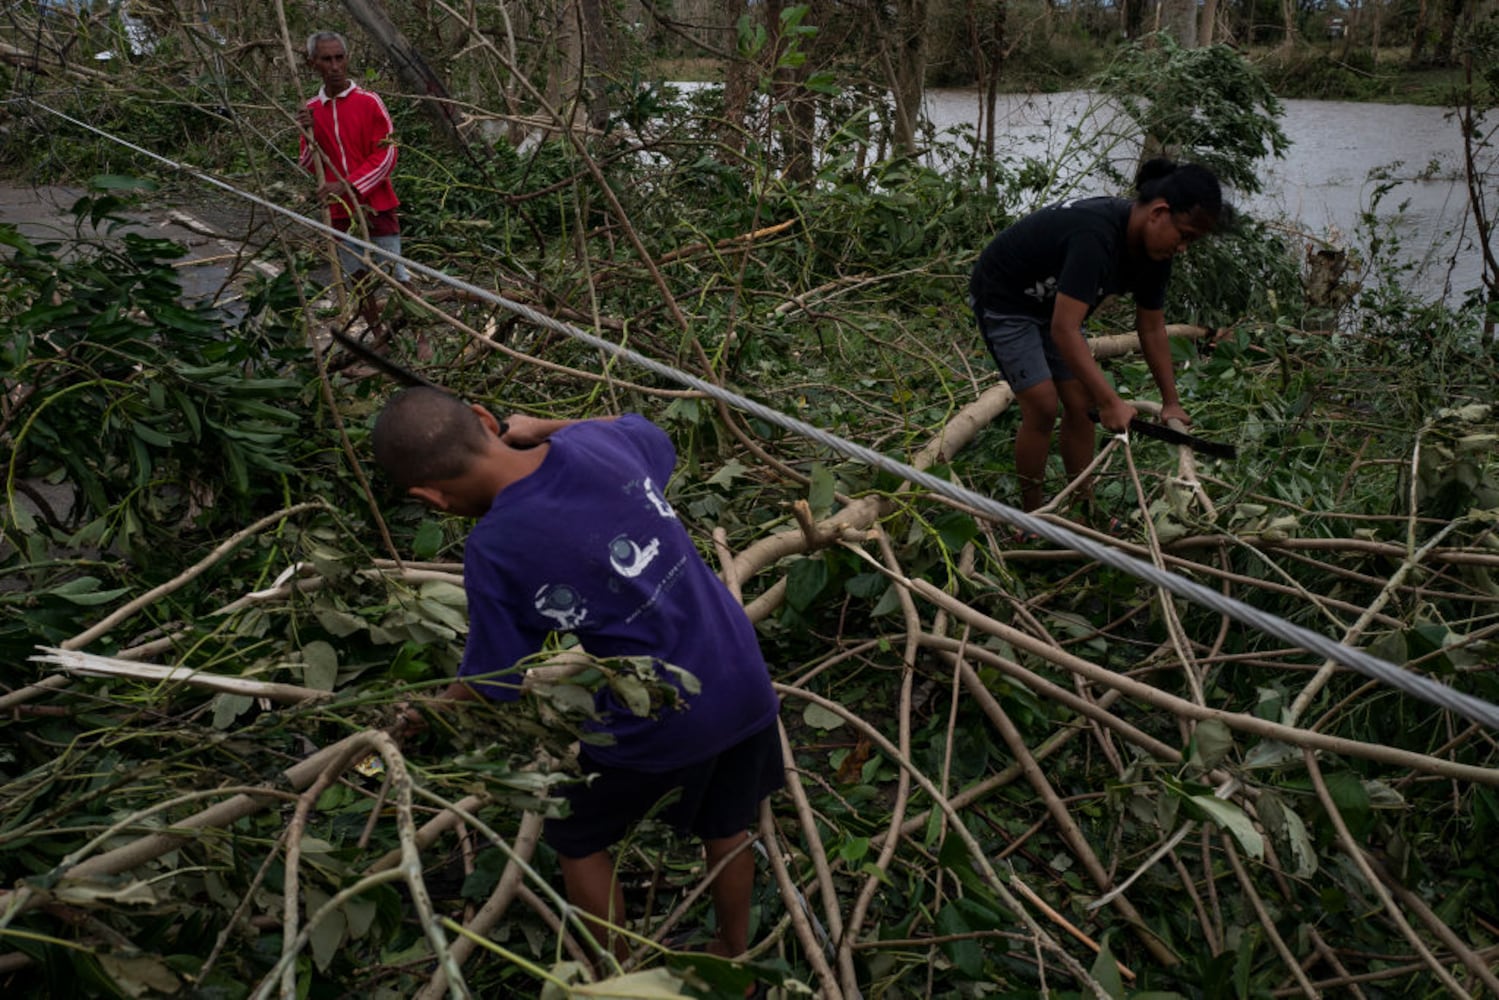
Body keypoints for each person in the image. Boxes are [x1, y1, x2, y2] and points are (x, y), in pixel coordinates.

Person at [371, 387, 784, 971]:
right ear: (488, 419)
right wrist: (548, 423)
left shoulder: (496, 548)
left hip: (663, 717)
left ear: (430, 496)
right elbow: (641, 425)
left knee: (576, 835)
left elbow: (493, 679)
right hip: (743, 675)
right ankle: (733, 956)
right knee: (728, 821)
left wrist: (427, 713)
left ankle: (616, 974)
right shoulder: (597, 443)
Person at [968, 158, 1226, 512]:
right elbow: (1065, 329)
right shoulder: (1095, 235)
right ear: (1158, 212)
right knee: (1043, 406)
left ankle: (1083, 508)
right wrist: (1111, 400)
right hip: (1006, 300)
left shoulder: (1157, 256)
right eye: (1185, 236)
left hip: (1056, 305)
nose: (1182, 248)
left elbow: (1150, 327)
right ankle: (1030, 517)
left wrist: (1170, 401)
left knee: (1081, 404)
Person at [296, 30, 411, 343]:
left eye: (339, 57)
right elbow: (309, 160)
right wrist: (305, 132)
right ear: (313, 63)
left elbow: (388, 153)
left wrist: (346, 186)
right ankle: (379, 339)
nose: (334, 66)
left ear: (347, 59)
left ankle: (421, 334)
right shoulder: (311, 109)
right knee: (359, 280)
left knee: (396, 273)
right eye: (326, 59)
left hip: (376, 201)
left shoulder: (369, 102)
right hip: (339, 212)